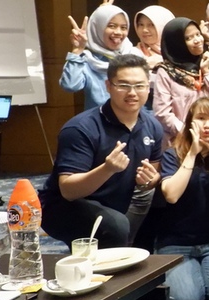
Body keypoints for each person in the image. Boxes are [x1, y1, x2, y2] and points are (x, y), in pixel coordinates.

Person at [40, 54, 162, 247]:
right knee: (116, 226)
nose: (132, 92)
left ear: (148, 88)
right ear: (108, 86)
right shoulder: (81, 128)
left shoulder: (152, 126)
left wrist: (150, 181)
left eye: (139, 86)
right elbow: (68, 191)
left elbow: (152, 175)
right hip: (64, 206)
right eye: (123, 85)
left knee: (163, 205)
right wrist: (107, 169)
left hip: (113, 203)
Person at [153, 97, 209, 300]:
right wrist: (192, 153)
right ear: (191, 122)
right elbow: (171, 195)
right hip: (176, 242)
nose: (207, 125)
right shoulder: (173, 154)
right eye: (201, 118)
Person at [151, 17, 209, 147]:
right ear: (177, 43)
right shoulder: (166, 71)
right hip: (180, 141)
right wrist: (189, 134)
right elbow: (162, 113)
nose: (197, 40)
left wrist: (207, 73)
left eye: (198, 34)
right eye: (188, 38)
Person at [61, 3, 134, 109]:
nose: (118, 32)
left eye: (123, 27)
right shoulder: (87, 60)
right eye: (111, 26)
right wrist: (77, 51)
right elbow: (70, 86)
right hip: (100, 119)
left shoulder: (134, 55)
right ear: (98, 28)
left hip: (134, 118)